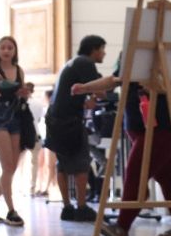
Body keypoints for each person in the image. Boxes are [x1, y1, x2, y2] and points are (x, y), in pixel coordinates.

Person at [85, 57, 171, 236]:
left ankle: (122, 226)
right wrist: (85, 87)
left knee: (136, 174)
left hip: (161, 127)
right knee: (168, 178)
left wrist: (159, 86)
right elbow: (115, 79)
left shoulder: (169, 49)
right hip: (138, 127)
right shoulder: (131, 49)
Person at [44, 35, 118, 222]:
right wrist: (115, 88)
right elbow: (99, 90)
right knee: (81, 163)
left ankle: (67, 208)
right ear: (93, 49)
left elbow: (70, 94)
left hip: (55, 118)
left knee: (63, 162)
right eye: (102, 49)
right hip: (69, 121)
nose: (104, 53)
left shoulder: (71, 62)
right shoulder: (86, 63)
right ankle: (83, 207)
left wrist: (85, 103)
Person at [0, 36, 33, 227]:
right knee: (8, 166)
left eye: (10, 47)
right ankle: (11, 210)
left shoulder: (18, 70)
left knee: (10, 168)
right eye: (3, 47)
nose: (7, 51)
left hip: (16, 117)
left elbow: (20, 94)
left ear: (15, 51)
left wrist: (23, 92)